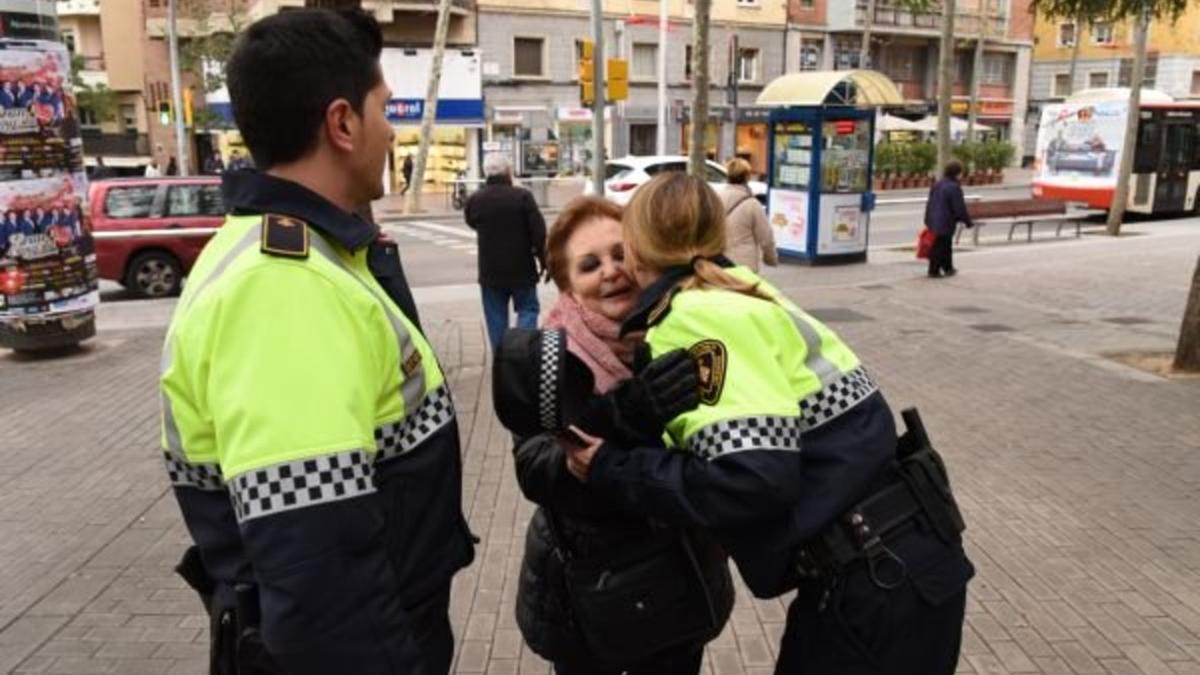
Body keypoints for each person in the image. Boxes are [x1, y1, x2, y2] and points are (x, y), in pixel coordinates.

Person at [159, 9, 475, 674]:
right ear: (342, 123)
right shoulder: (284, 288)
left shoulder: (305, 258)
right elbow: (323, 583)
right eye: (383, 109)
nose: (392, 131)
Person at [563, 173, 974, 675]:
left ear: (638, 250)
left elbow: (754, 478)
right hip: (909, 558)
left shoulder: (695, 317)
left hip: (871, 577)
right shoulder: (746, 291)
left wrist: (613, 468)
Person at [493, 196, 733, 675]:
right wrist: (626, 414)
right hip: (587, 589)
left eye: (621, 253)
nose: (611, 271)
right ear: (569, 287)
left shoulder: (688, 329)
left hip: (679, 575)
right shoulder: (547, 357)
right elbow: (537, 469)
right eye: (589, 265)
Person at [464, 151, 546, 351]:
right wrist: (545, 261)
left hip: (490, 272)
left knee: (496, 319)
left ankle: (503, 362)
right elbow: (539, 233)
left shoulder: (475, 200)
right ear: (509, 171)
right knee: (528, 309)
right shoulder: (523, 197)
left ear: (486, 174)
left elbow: (471, 222)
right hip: (522, 269)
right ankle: (522, 353)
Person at [720, 158, 777, 272]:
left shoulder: (716, 199)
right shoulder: (752, 204)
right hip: (744, 265)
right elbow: (766, 238)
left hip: (720, 263)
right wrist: (771, 259)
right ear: (747, 177)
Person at [924, 160, 974, 278]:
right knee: (942, 246)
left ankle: (948, 268)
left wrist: (927, 219)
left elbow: (930, 203)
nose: (962, 175)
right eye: (961, 173)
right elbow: (959, 207)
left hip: (933, 219)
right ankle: (934, 270)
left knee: (942, 245)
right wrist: (967, 221)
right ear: (957, 173)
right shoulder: (954, 187)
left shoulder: (937, 184)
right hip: (946, 221)